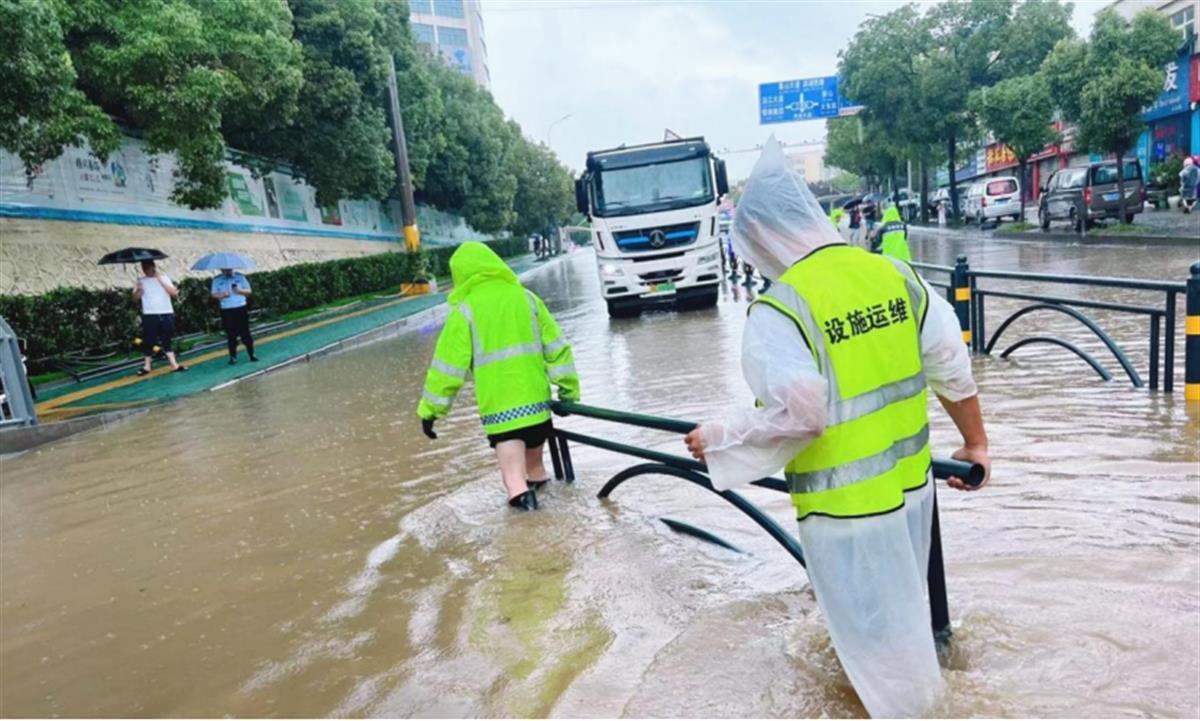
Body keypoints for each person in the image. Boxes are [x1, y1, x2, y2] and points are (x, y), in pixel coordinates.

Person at [682, 138, 990, 718]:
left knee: (875, 654)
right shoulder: (891, 273)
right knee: (910, 627)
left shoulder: (783, 308)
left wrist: (719, 436)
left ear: (763, 237)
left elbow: (803, 414)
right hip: (912, 493)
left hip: (846, 515)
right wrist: (975, 444)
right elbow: (950, 361)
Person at [417, 241, 580, 511]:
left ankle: (529, 539)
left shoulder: (466, 310)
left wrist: (430, 411)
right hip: (538, 408)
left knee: (514, 482)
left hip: (502, 415)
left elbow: (446, 369)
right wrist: (568, 393)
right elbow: (558, 349)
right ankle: (551, 519)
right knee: (536, 470)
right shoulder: (527, 299)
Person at [132, 260, 187, 376]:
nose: (146, 270)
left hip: (166, 312)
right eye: (144, 268)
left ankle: (174, 364)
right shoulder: (140, 281)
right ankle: (147, 366)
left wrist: (160, 280)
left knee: (166, 338)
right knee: (149, 340)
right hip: (149, 314)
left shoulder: (164, 278)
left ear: (153, 267)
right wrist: (139, 291)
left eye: (148, 267)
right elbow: (134, 300)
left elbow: (173, 293)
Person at [211, 268, 258, 364]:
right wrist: (222, 295)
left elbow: (249, 291)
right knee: (231, 333)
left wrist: (239, 290)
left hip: (240, 307)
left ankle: (252, 354)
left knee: (245, 332)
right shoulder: (217, 280)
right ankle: (233, 356)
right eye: (225, 270)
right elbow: (213, 294)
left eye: (229, 269)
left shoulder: (240, 277)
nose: (228, 271)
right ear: (222, 270)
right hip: (226, 309)